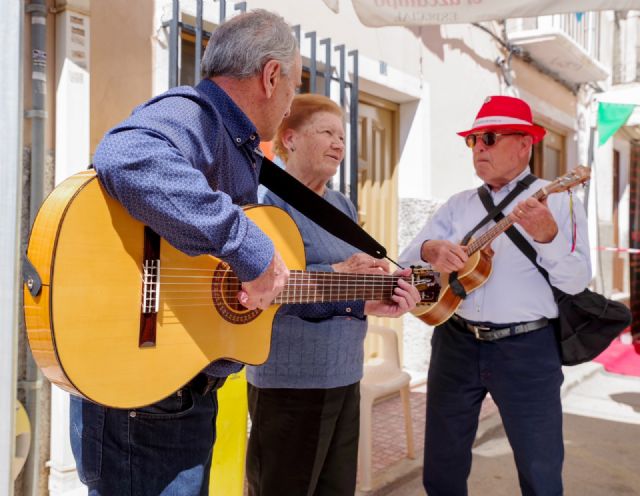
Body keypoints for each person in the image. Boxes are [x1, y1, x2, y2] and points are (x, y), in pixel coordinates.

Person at [69, 10, 301, 495]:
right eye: (294, 86)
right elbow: (128, 156)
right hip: (148, 401)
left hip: (171, 390)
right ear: (271, 75)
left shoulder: (230, 137)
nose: (290, 103)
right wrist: (248, 248)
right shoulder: (197, 112)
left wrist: (355, 288)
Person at [399, 95, 592, 496]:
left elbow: (576, 281)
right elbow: (407, 260)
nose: (479, 148)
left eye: (489, 137)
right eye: (473, 141)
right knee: (441, 468)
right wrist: (432, 249)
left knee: (540, 471)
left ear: (525, 144)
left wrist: (548, 237)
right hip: (455, 341)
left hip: (527, 348)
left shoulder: (558, 198)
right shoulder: (458, 205)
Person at [245, 93, 421, 496]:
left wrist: (376, 300)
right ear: (289, 139)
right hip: (289, 383)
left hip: (345, 375)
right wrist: (340, 272)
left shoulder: (341, 204)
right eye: (327, 132)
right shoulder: (265, 202)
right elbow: (263, 288)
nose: (340, 144)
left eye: (342, 136)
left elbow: (345, 293)